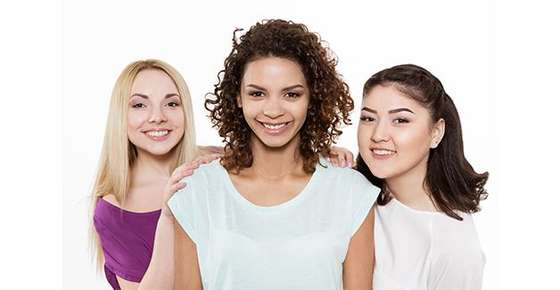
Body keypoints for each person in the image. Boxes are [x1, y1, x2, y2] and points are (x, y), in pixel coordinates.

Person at [149, 19, 380, 290]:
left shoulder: (351, 192)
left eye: (291, 95)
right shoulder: (198, 191)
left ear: (311, 98)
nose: (273, 110)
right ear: (238, 97)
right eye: (258, 93)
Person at [90, 59, 355, 290]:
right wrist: (169, 218)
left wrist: (319, 152)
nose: (157, 117)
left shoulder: (214, 163)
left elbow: (276, 150)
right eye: (139, 105)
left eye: (171, 103)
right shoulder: (115, 208)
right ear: (120, 116)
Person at [355, 64, 488, 290]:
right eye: (368, 118)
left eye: (400, 120)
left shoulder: (453, 247)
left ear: (436, 133)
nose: (377, 135)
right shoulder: (353, 193)